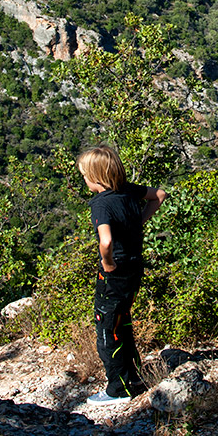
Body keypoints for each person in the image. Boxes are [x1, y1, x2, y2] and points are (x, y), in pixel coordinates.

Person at [77, 143, 166, 406]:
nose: (84, 180)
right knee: (122, 322)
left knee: (107, 327)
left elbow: (105, 241)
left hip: (115, 274)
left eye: (84, 175)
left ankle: (118, 388)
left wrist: (107, 262)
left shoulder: (100, 204)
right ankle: (133, 377)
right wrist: (138, 222)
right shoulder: (128, 191)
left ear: (96, 177)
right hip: (135, 267)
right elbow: (159, 195)